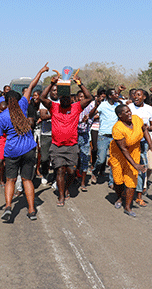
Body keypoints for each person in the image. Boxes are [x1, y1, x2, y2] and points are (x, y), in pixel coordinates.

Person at [0, 64, 49, 221]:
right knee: (27, 180)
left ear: (6, 102)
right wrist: (40, 71)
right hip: (29, 150)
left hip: (12, 152)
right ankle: (31, 210)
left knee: (10, 180)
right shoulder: (23, 105)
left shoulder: (2, 116)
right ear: (18, 100)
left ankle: (8, 207)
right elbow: (31, 85)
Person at [40, 72, 93, 206]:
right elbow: (42, 98)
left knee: (71, 171)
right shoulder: (54, 107)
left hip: (72, 146)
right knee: (60, 170)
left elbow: (89, 97)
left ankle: (66, 187)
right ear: (59, 99)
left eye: (67, 99)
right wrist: (52, 83)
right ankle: (61, 196)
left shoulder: (76, 107)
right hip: (57, 146)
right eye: (62, 98)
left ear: (71, 99)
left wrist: (79, 84)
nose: (65, 101)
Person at [110, 104, 152, 217]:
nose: (129, 113)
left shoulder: (136, 119)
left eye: (129, 111)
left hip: (134, 152)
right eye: (126, 112)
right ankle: (120, 197)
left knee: (131, 179)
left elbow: (144, 129)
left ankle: (127, 207)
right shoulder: (117, 128)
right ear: (120, 115)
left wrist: (150, 144)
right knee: (118, 181)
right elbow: (123, 149)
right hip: (119, 155)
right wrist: (135, 164)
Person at [128, 89, 152, 207]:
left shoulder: (149, 109)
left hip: (143, 142)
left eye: (139, 95)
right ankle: (125, 193)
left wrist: (146, 128)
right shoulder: (128, 107)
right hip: (129, 142)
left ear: (144, 97)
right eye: (135, 94)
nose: (136, 96)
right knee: (128, 166)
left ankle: (139, 196)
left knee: (142, 168)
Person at [90, 88, 120, 186]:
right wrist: (94, 108)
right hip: (103, 136)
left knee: (113, 160)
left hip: (114, 137)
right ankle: (94, 172)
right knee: (101, 159)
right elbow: (92, 114)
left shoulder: (118, 105)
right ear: (110, 96)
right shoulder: (103, 105)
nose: (117, 95)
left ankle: (112, 182)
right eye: (115, 94)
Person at [77, 90, 98, 191]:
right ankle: (75, 177)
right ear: (77, 98)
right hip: (74, 136)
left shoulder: (89, 109)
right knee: (74, 159)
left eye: (84, 97)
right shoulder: (73, 108)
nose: (82, 99)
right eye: (80, 97)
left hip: (84, 136)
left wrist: (87, 119)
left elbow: (91, 117)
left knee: (84, 159)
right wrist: (81, 121)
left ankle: (83, 182)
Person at [39, 84, 59, 185]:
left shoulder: (61, 102)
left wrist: (50, 115)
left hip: (58, 134)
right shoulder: (45, 102)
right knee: (44, 158)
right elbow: (43, 116)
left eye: (57, 90)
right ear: (50, 92)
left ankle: (56, 178)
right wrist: (57, 114)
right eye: (54, 90)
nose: (56, 92)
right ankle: (45, 173)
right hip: (46, 134)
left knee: (57, 158)